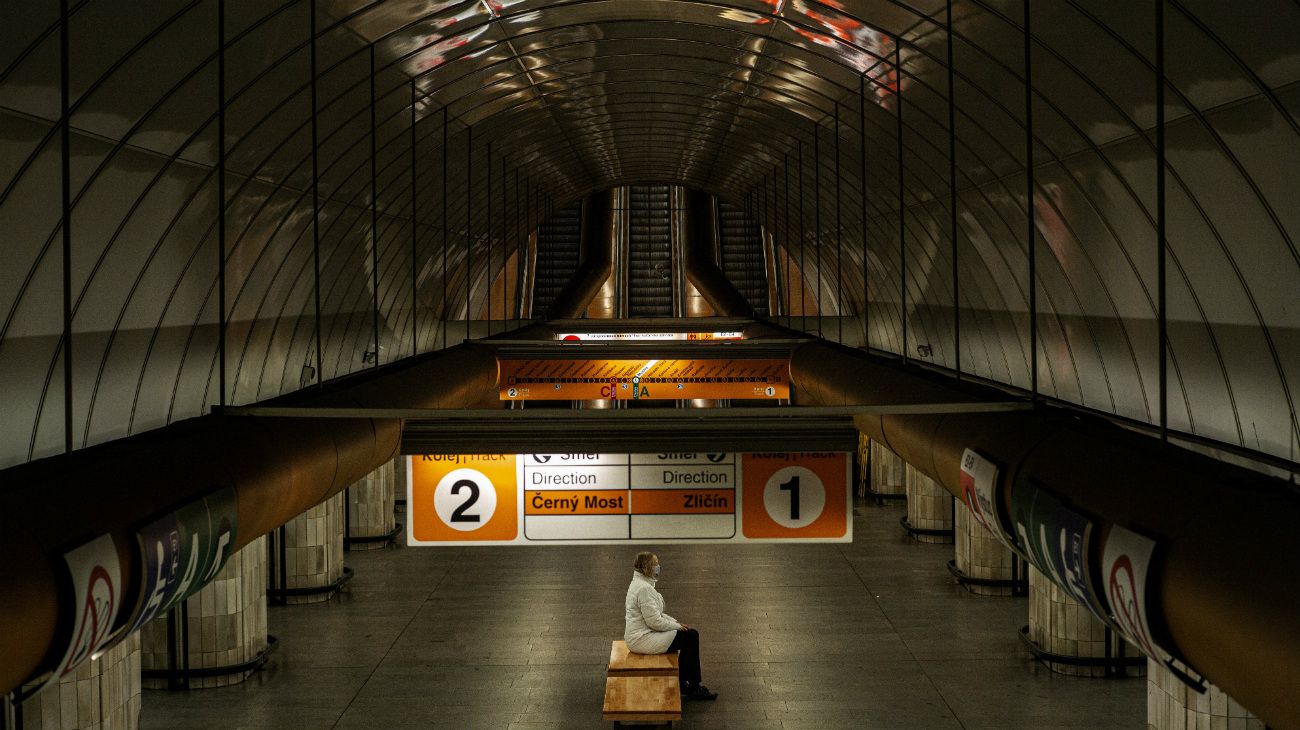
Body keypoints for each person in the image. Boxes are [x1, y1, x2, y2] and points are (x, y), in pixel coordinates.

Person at [624, 551, 718, 700]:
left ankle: (685, 682)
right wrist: (677, 627)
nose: (658, 567)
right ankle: (692, 687)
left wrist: (676, 623)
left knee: (689, 634)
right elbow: (654, 622)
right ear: (647, 567)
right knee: (691, 636)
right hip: (641, 639)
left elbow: (657, 615)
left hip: (642, 634)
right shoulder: (644, 589)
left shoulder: (641, 584)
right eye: (655, 564)